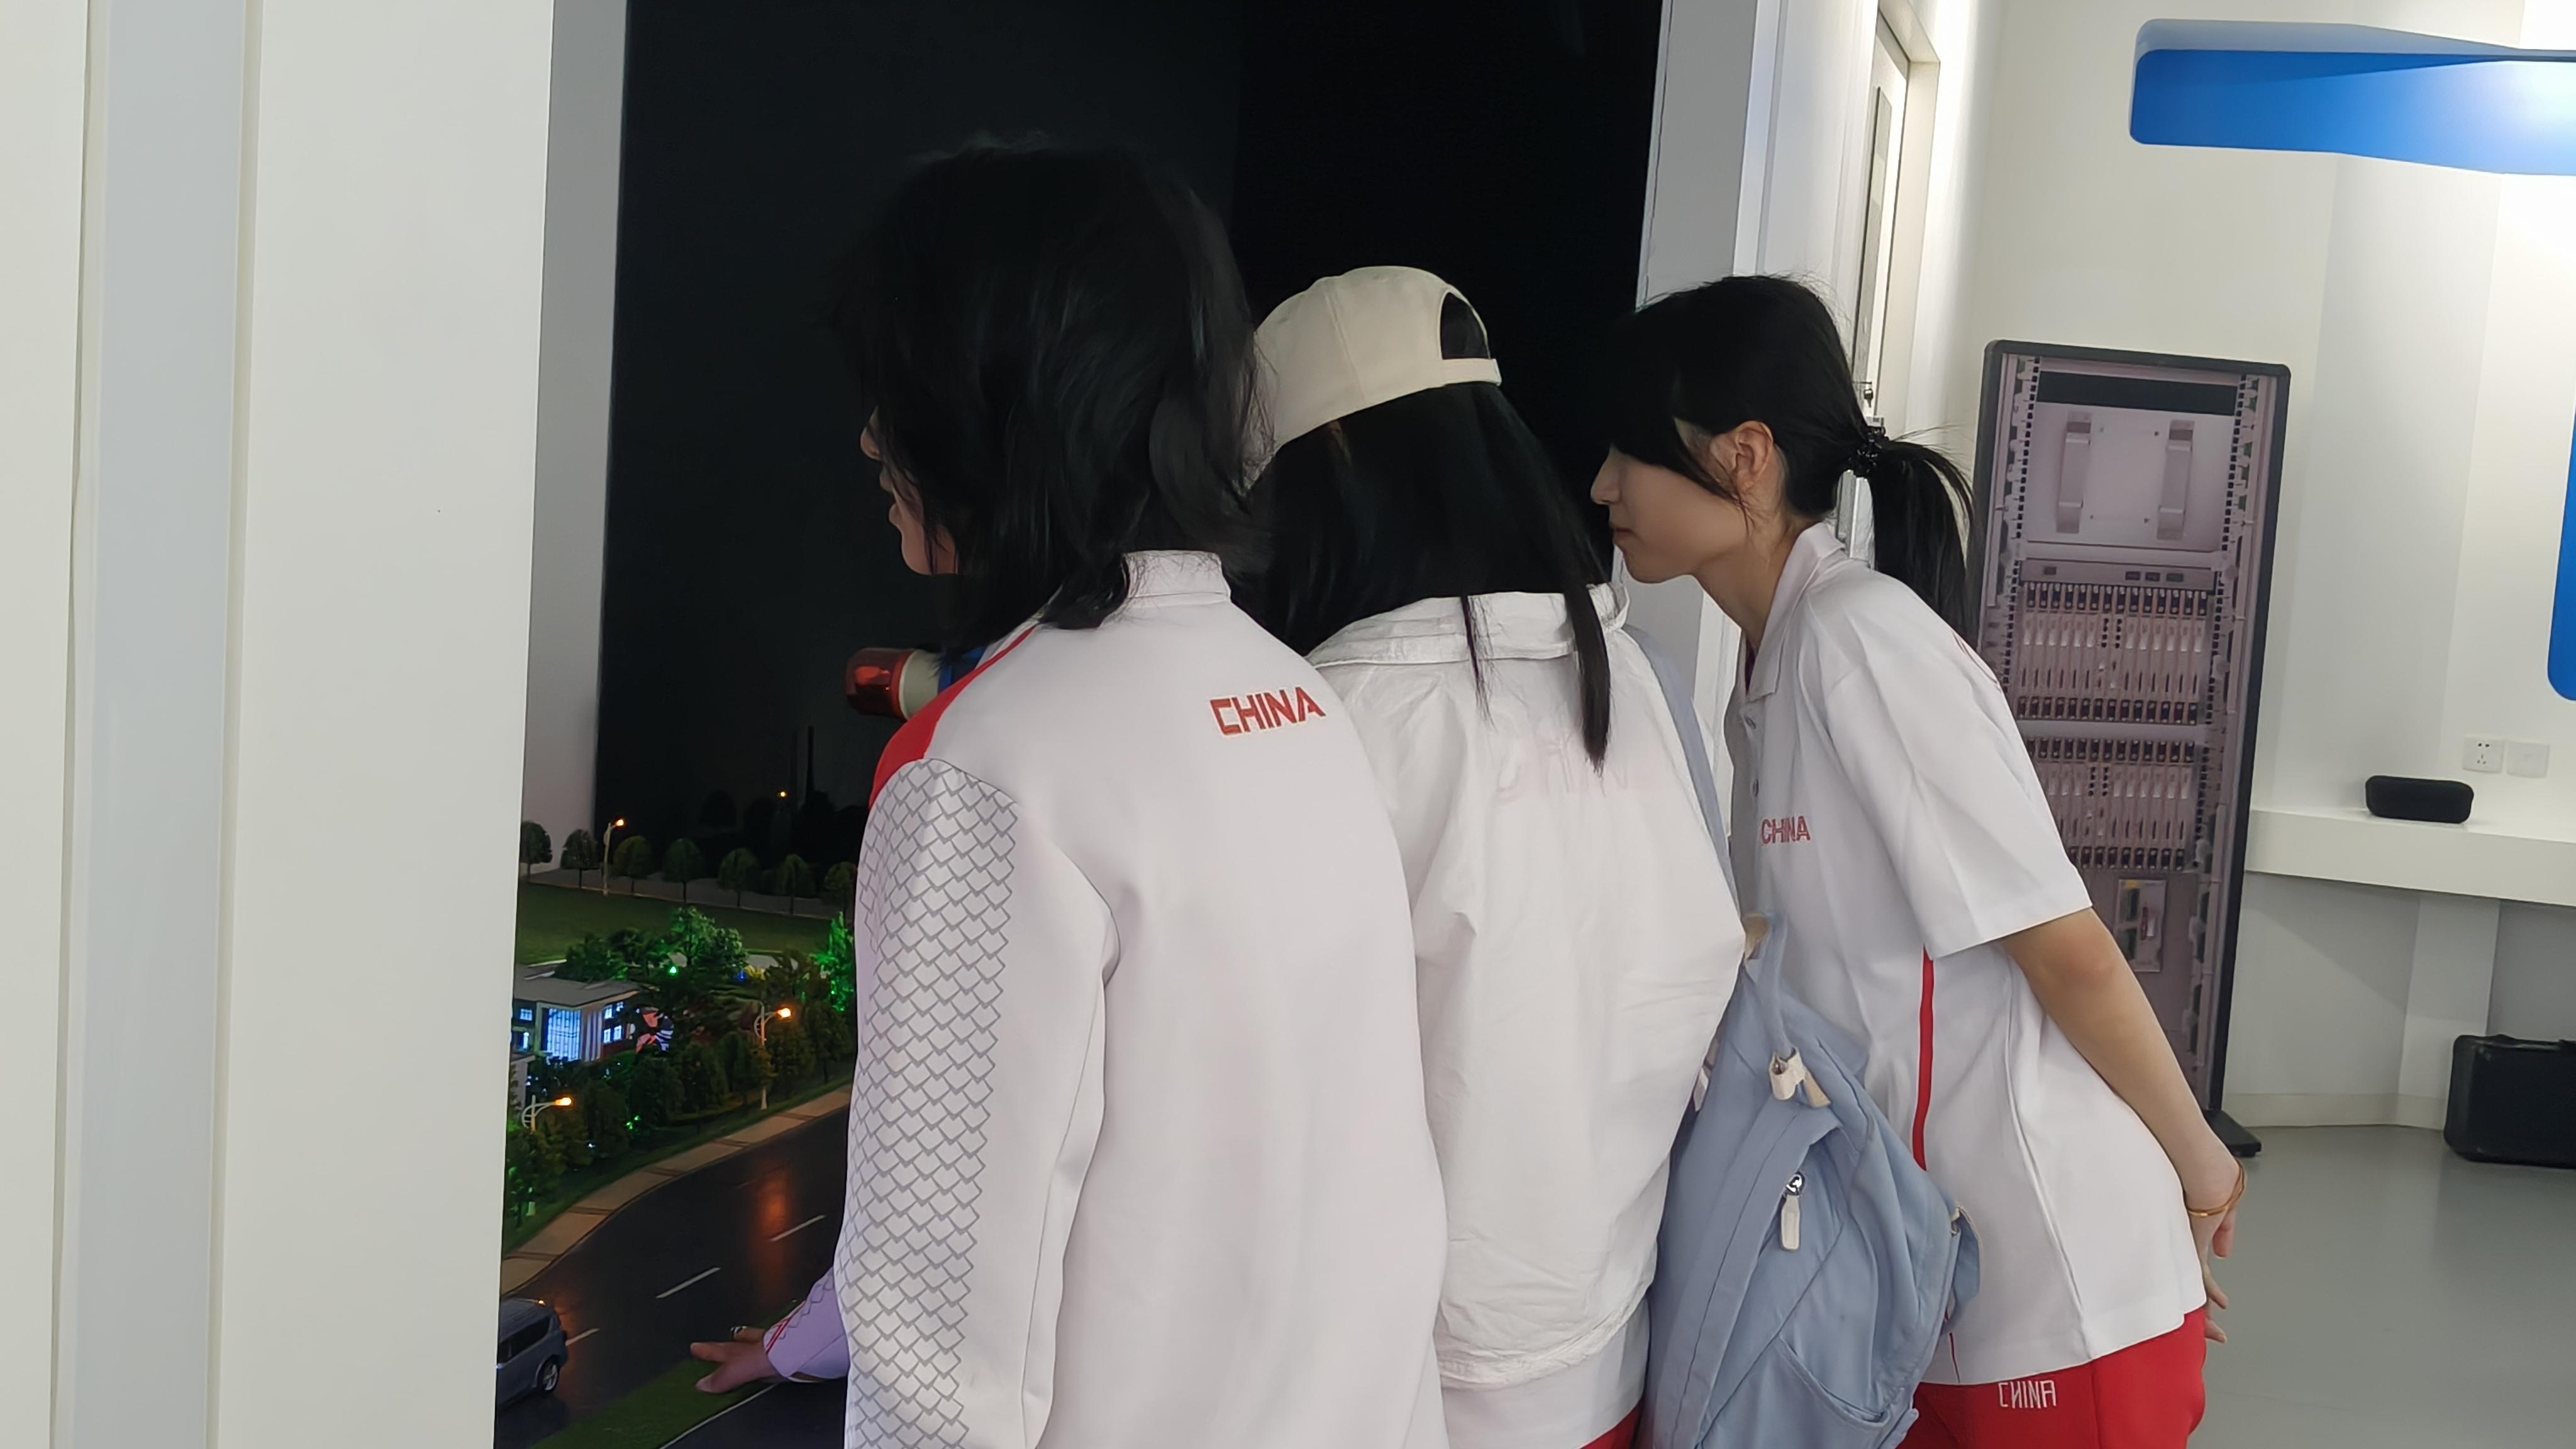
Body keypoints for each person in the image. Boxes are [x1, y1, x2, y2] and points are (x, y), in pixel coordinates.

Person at [691, 145, 1451, 1448]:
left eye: (897, 390)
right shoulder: (1294, 697)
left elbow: (938, 1347)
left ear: (999, 405)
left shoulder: (987, 766)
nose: (871, 437)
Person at [1591, 274, 2241, 1449]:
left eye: (1630, 450)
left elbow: (2068, 949)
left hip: (2052, 1294)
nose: (1602, 486)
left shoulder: (1862, 642)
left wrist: (2202, 1169)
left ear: (1746, 457)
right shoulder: (1773, 669)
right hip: (1923, 1277)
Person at [1238, 266, 1745, 1449]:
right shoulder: (1628, 675)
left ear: (1333, 464)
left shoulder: (1335, 720)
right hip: (1617, 1349)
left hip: (1414, 1386)